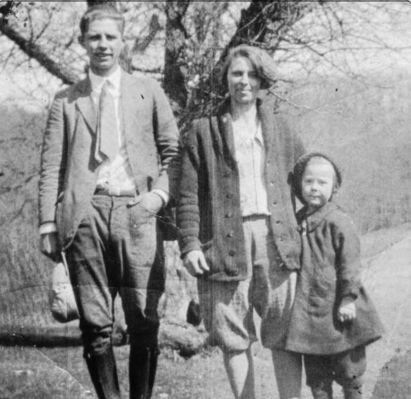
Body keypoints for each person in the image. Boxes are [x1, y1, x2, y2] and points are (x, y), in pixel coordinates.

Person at [38, 5, 179, 399]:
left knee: (145, 320)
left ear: (122, 42)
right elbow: (51, 166)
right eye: (94, 37)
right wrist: (48, 223)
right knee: (96, 326)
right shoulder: (66, 101)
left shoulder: (146, 91)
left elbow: (174, 153)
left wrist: (158, 196)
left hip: (138, 213)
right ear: (83, 41)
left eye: (110, 37)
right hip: (86, 218)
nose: (102, 44)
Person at [177, 44, 305, 399]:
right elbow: (187, 195)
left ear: (262, 80)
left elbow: (307, 184)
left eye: (251, 74)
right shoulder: (202, 131)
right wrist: (189, 244)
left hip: (275, 238)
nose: (244, 82)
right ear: (226, 78)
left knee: (284, 332)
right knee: (233, 335)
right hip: (223, 240)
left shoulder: (282, 129)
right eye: (237, 74)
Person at [286, 152, 384, 399]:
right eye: (309, 182)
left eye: (322, 183)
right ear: (300, 185)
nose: (314, 188)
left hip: (339, 309)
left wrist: (348, 298)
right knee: (318, 379)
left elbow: (350, 263)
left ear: (334, 187)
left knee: (348, 371)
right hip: (310, 313)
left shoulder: (338, 221)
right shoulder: (297, 221)